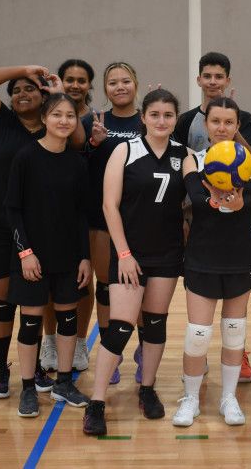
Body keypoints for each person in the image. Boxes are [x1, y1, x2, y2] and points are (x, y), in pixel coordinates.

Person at [83, 89, 187, 436]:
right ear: (143, 117)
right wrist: (124, 254)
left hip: (168, 254)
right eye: (155, 114)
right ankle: (96, 402)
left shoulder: (182, 154)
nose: (161, 121)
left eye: (168, 115)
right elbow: (109, 206)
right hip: (130, 255)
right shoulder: (124, 150)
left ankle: (147, 387)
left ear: (176, 119)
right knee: (121, 327)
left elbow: (200, 194)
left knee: (155, 325)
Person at [0, 65, 66, 398]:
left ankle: (34, 366)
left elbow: (80, 139)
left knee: (33, 304)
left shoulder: (53, 126)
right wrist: (25, 69)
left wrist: (55, 91)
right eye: (17, 90)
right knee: (2, 304)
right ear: (10, 99)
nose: (23, 94)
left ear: (43, 96)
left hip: (36, 230)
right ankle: (0, 369)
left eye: (30, 88)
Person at [172, 97, 251, 427]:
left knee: (234, 332)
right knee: (197, 333)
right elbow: (199, 199)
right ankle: (191, 399)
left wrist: (237, 204)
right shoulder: (192, 160)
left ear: (237, 126)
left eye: (228, 122)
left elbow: (247, 200)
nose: (222, 128)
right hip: (202, 256)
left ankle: (228, 398)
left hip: (239, 256)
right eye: (215, 122)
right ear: (205, 125)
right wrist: (219, 199)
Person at [5, 93, 92, 417]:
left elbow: (83, 214)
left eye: (70, 116)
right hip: (33, 258)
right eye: (57, 115)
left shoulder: (76, 162)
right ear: (44, 118)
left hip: (68, 257)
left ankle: (64, 382)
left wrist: (85, 257)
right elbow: (12, 210)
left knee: (68, 320)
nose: (64, 121)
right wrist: (25, 253)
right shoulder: (26, 157)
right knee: (30, 323)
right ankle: (28, 387)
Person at [78, 62, 144, 384]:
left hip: (141, 219)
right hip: (103, 218)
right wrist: (93, 144)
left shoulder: (148, 118)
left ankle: (145, 349)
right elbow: (78, 168)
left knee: (143, 288)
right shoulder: (92, 121)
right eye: (113, 82)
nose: (120, 86)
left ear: (136, 84)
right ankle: (111, 352)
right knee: (105, 288)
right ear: (105, 89)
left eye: (126, 81)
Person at [40, 58, 96, 373]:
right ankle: (50, 340)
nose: (75, 84)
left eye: (81, 80)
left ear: (89, 84)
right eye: (69, 79)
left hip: (88, 205)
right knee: (52, 279)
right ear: (60, 81)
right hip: (55, 207)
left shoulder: (96, 117)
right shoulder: (53, 114)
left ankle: (78, 342)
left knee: (82, 281)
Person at [174, 51, 251, 153]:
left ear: (227, 81)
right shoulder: (185, 119)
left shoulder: (244, 117)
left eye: (219, 77)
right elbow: (178, 156)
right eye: (207, 76)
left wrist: (231, 119)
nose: (212, 82)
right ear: (199, 80)